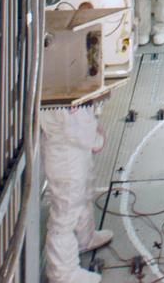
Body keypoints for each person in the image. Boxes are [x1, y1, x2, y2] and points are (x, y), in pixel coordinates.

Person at [40, 100, 113, 283]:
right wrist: (97, 139)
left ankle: (85, 238)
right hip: (65, 156)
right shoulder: (57, 95)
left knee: (85, 192)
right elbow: (74, 126)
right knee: (65, 212)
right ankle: (63, 274)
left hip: (75, 151)